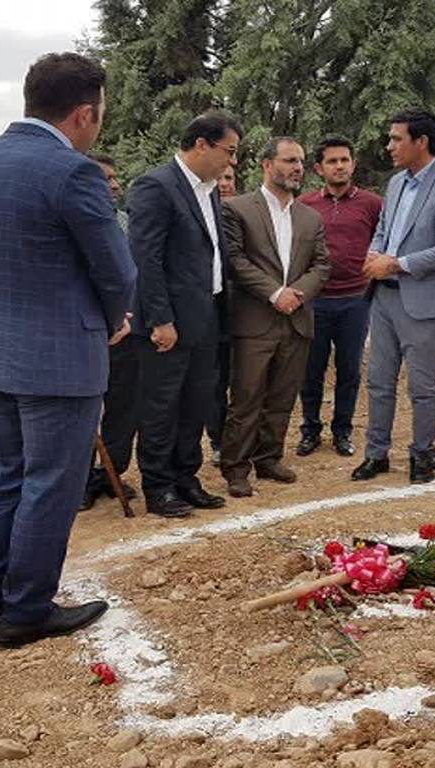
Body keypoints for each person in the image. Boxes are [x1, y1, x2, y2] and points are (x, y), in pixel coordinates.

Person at [0, 52, 137, 647]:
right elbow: (117, 270)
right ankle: (26, 610)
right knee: (50, 483)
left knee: (6, 475)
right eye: (101, 113)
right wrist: (110, 321)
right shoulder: (73, 171)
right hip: (59, 357)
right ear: (84, 113)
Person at [128, 110, 241, 517]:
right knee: (162, 406)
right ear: (201, 145)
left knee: (197, 401)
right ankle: (158, 485)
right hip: (169, 322)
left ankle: (185, 477)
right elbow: (147, 259)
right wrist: (161, 320)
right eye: (229, 151)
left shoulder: (208, 190)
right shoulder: (156, 187)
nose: (232, 161)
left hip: (207, 314)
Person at [350, 109, 435, 485]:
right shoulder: (396, 182)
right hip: (384, 298)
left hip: (424, 300)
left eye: (396, 139)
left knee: (421, 386)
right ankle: (376, 454)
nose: (389, 146)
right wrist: (374, 254)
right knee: (378, 382)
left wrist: (397, 264)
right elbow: (384, 229)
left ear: (421, 142)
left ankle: (422, 456)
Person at [220, 137, 332, 496]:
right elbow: (235, 261)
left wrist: (296, 294)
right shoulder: (238, 209)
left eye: (300, 161)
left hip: (296, 321)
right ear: (267, 165)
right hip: (254, 321)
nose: (298, 167)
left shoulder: (310, 217)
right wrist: (274, 293)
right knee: (246, 399)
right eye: (289, 160)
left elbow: (322, 265)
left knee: (282, 398)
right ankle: (236, 468)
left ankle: (269, 458)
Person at [297, 134, 383, 457]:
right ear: (319, 168)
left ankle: (342, 432)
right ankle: (310, 431)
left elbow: (384, 242)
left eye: (345, 160)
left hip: (356, 300)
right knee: (311, 371)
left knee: (349, 370)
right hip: (315, 301)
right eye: (332, 161)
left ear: (353, 164)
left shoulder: (373, 204)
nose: (339, 166)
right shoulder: (304, 205)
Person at [81, 153, 140, 510]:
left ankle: (112, 472)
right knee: (84, 410)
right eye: (106, 179)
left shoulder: (126, 223)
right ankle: (81, 479)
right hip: (85, 329)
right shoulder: (72, 222)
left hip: (127, 328)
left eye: (116, 178)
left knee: (124, 406)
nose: (115, 185)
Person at [207, 163, 237, 466]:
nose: (224, 184)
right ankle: (218, 439)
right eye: (218, 178)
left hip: (244, 311)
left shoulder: (246, 214)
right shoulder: (202, 214)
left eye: (228, 178)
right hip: (212, 312)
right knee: (214, 381)